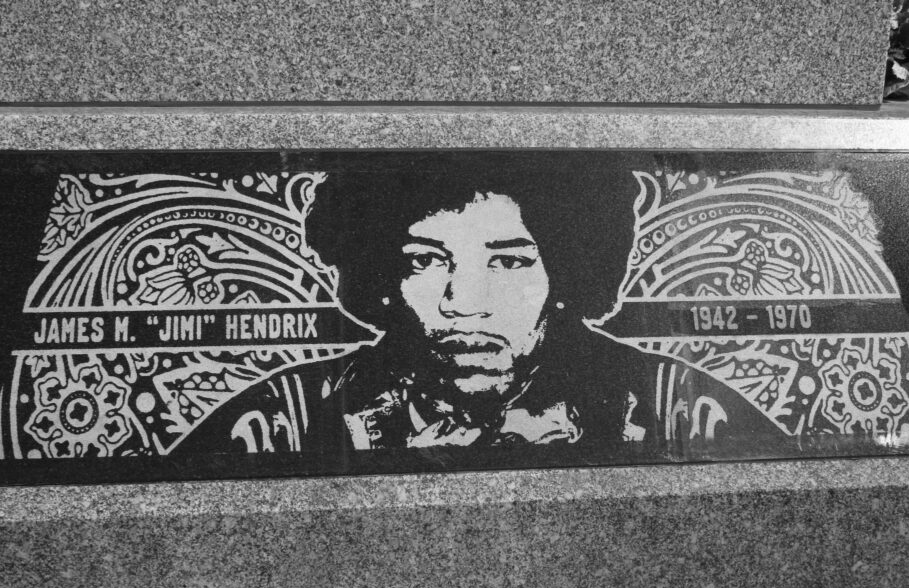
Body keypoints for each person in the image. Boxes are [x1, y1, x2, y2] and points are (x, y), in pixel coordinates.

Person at [184, 153, 781, 458]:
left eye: (510, 261)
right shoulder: (281, 420)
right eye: (426, 261)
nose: (464, 304)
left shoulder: (678, 407)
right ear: (382, 274)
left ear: (569, 272)